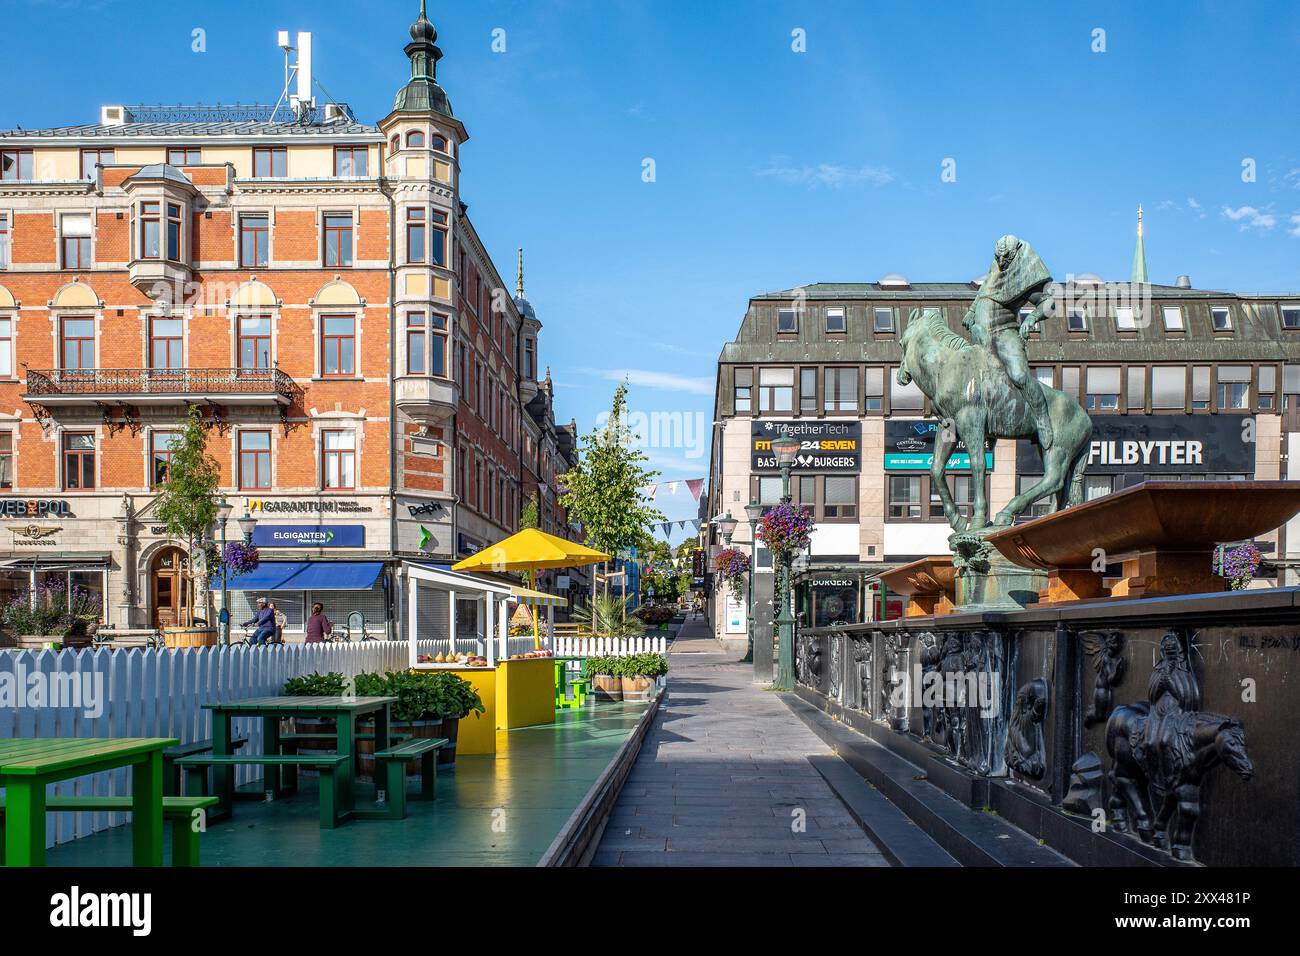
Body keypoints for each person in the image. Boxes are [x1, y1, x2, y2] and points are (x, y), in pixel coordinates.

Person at [961, 234, 1057, 448]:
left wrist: (1031, 319)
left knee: (1019, 375)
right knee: (978, 380)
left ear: (1017, 253)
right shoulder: (997, 265)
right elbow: (985, 290)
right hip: (982, 333)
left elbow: (1049, 304)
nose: (1001, 262)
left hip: (1005, 332)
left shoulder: (1026, 270)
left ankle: (1042, 418)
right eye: (998, 257)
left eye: (1007, 258)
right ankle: (989, 427)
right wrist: (972, 311)